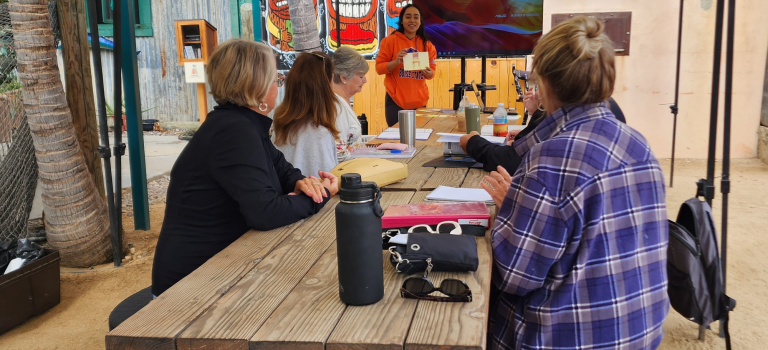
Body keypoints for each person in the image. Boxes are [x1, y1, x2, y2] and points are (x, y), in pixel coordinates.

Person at [484, 16, 669, 349]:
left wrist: (514, 212)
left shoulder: (551, 157)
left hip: (567, 339)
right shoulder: (638, 144)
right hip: (639, 334)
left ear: (544, 85)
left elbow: (514, 276)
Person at [151, 40, 339, 297]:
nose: (278, 86)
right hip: (190, 286)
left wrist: (303, 183)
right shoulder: (234, 131)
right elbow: (265, 212)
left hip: (220, 267)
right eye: (276, 80)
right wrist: (319, 196)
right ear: (259, 89)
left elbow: (283, 170)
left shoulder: (241, 124)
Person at [460, 86, 627, 173]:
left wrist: (473, 142)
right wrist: (536, 112)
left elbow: (511, 161)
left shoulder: (563, 110)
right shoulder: (606, 104)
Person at [272, 51, 340, 177]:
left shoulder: (280, 126)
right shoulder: (317, 133)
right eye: (332, 79)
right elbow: (326, 187)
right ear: (324, 86)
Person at [376, 3, 437, 127]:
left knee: (419, 140)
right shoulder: (389, 41)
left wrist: (429, 73)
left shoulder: (427, 45)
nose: (412, 20)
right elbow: (379, 68)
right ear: (402, 21)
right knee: (398, 139)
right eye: (408, 17)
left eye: (416, 17)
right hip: (396, 101)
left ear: (420, 21)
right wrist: (396, 62)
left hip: (420, 101)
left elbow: (432, 72)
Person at [331, 46, 369, 160]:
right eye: (361, 76)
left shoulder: (341, 101)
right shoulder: (336, 106)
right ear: (343, 77)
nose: (365, 80)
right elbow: (338, 153)